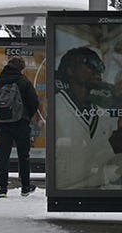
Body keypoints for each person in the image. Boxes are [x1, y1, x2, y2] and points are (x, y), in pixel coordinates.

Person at [52, 46, 122, 190]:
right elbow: (66, 167)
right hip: (70, 192)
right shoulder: (56, 108)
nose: (97, 70)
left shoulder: (102, 115)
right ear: (70, 71)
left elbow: (108, 165)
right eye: (89, 63)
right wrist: (112, 146)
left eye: (99, 65)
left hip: (100, 189)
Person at [0, 57, 42, 197]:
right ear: (21, 68)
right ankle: (25, 187)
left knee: (3, 157)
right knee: (23, 156)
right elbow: (34, 103)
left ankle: (3, 189)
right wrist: (26, 116)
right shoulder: (24, 83)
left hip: (2, 125)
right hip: (21, 124)